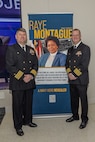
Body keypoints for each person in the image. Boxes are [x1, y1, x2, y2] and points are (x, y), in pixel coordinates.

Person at [6, 28, 38, 136]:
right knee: (18, 105)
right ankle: (18, 126)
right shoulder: (11, 49)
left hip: (29, 82)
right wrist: (23, 76)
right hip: (18, 82)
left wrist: (31, 75)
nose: (22, 37)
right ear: (16, 36)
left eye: (24, 35)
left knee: (28, 104)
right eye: (20, 35)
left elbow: (35, 65)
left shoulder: (31, 49)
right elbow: (10, 66)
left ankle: (28, 121)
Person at [65, 29, 90, 129]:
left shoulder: (85, 48)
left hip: (81, 79)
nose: (75, 37)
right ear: (71, 37)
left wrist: (74, 74)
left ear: (80, 36)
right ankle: (75, 116)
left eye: (77, 35)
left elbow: (84, 65)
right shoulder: (70, 49)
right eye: (73, 35)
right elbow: (67, 64)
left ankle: (84, 119)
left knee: (83, 100)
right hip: (72, 79)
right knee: (73, 99)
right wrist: (69, 73)